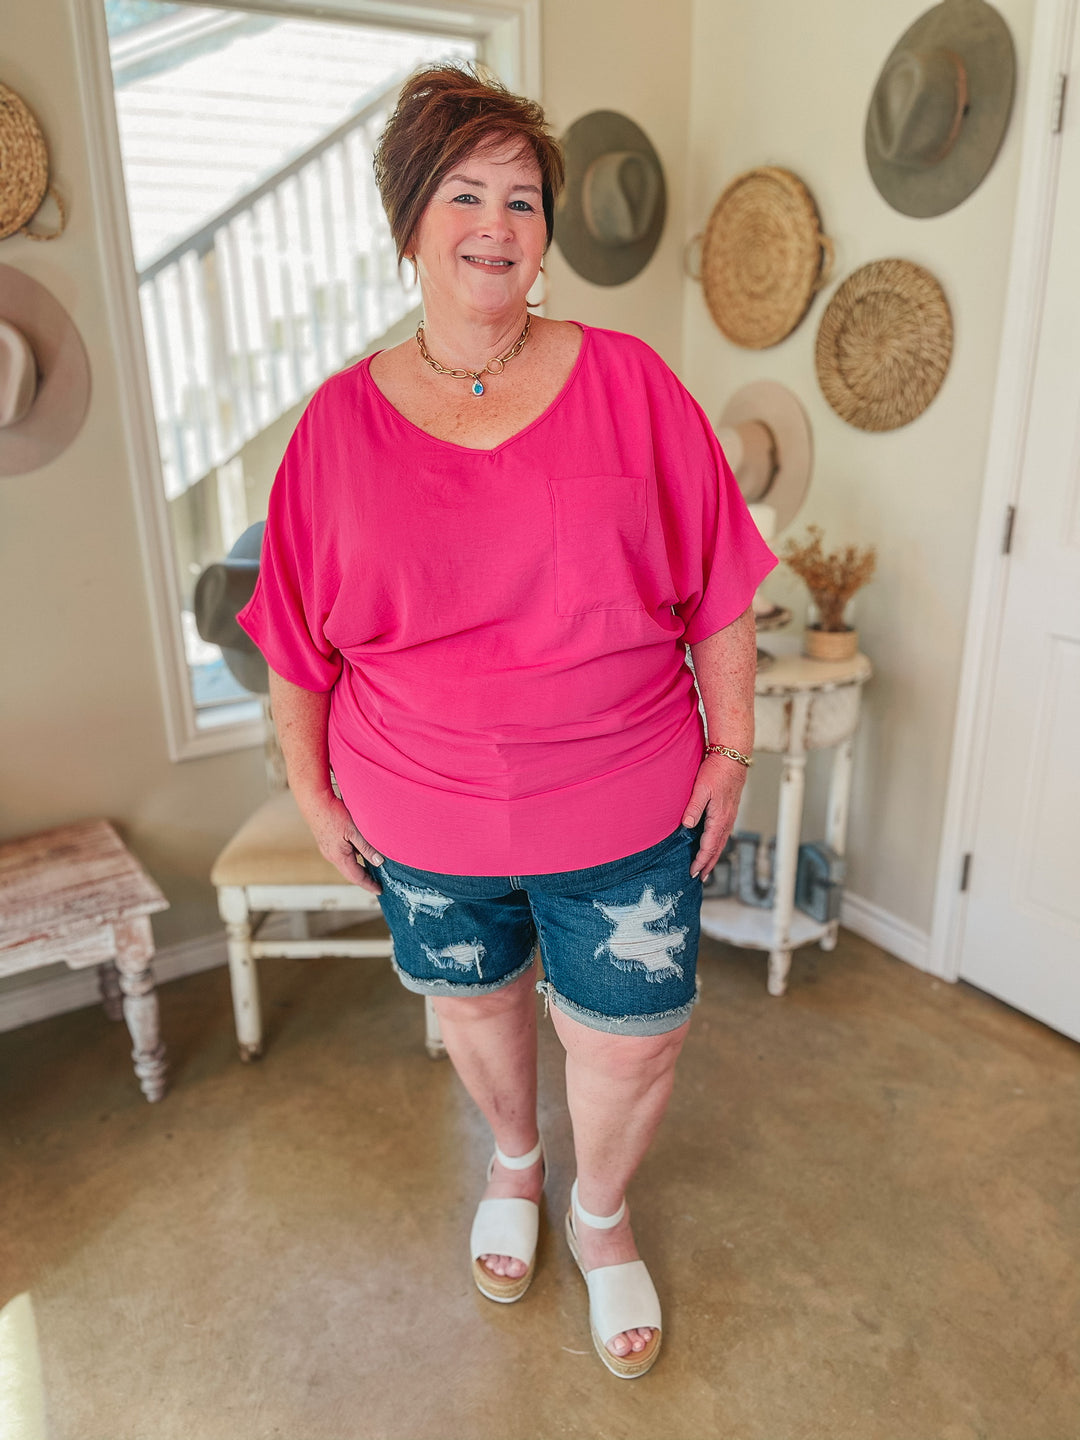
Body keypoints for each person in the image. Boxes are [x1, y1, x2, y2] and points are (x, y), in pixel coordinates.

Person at [238, 63, 775, 1379]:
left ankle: (600, 1218)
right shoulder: (335, 429)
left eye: (522, 198)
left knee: (633, 1047)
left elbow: (718, 582)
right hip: (420, 816)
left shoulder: (633, 384)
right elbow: (296, 650)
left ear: (545, 232)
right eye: (464, 192)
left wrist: (733, 742)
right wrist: (312, 798)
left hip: (627, 806)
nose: (497, 222)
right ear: (411, 222)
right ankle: (519, 1162)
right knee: (476, 1016)